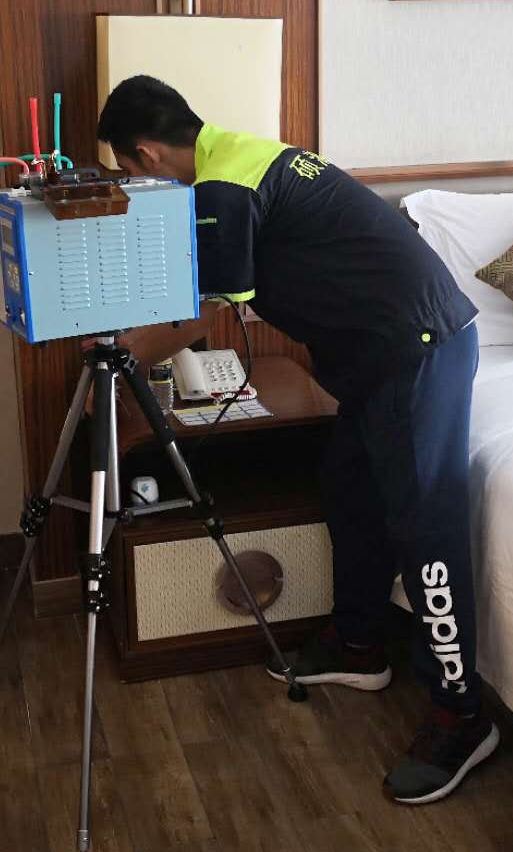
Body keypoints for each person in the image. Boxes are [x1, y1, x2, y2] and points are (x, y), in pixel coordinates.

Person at [97, 75, 493, 805]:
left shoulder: (223, 187)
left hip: (418, 350)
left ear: (146, 154)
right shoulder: (236, 156)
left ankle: (461, 713)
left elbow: (199, 318)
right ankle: (359, 644)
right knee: (349, 488)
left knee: (425, 530)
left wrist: (114, 355)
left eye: (129, 170)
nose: (139, 182)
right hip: (377, 358)